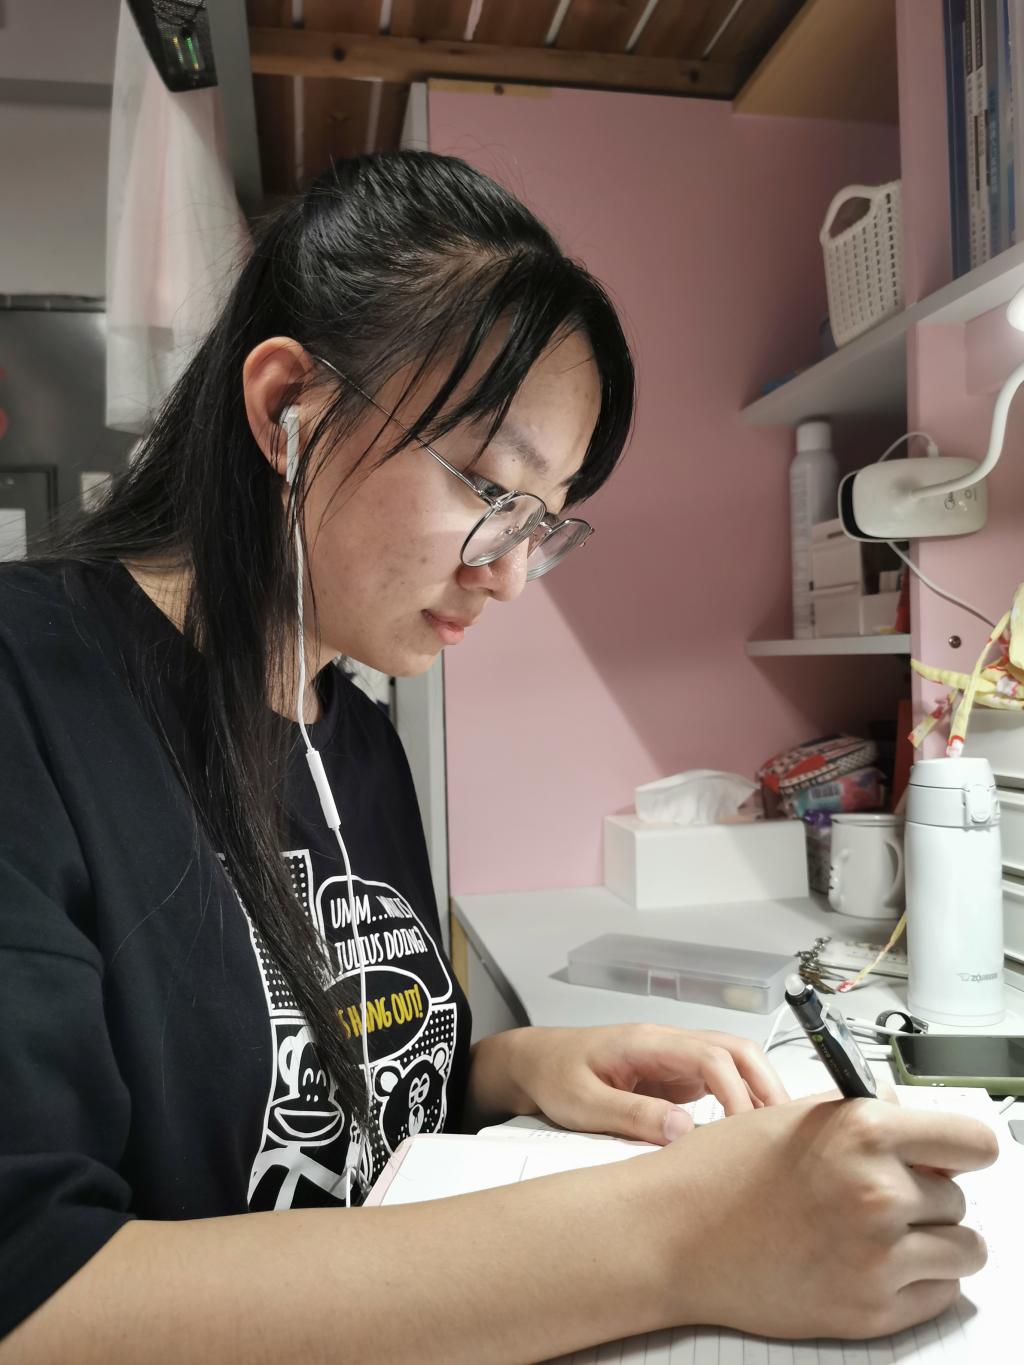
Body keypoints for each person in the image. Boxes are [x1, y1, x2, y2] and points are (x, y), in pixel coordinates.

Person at [0, 152, 996, 1364]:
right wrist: (680, 1237)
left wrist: (515, 1069)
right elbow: (35, 1299)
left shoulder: (355, 735)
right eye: (488, 486)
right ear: (285, 407)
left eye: (543, 520)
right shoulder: (27, 693)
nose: (511, 573)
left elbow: (339, 1086)